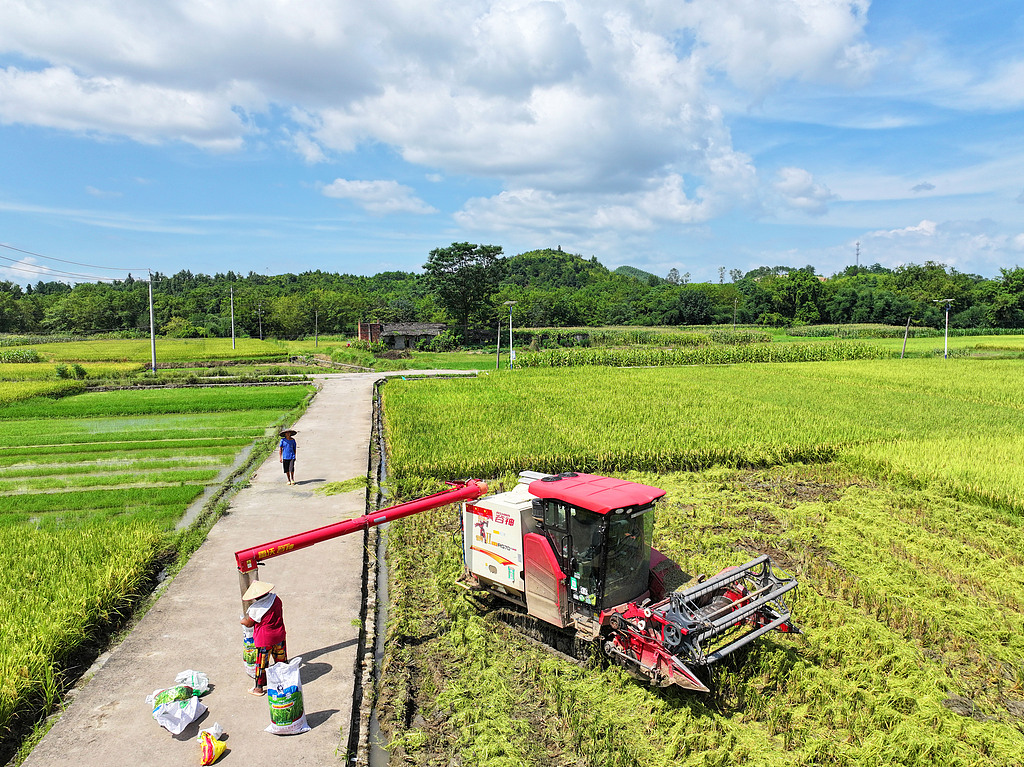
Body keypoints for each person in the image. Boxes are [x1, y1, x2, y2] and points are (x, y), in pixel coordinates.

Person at [240, 580, 287, 696]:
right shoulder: (276, 599)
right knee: (281, 661)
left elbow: (249, 623)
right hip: (279, 635)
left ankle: (259, 688)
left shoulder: (256, 608)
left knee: (261, 664)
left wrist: (242, 621)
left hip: (265, 640)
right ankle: (285, 683)